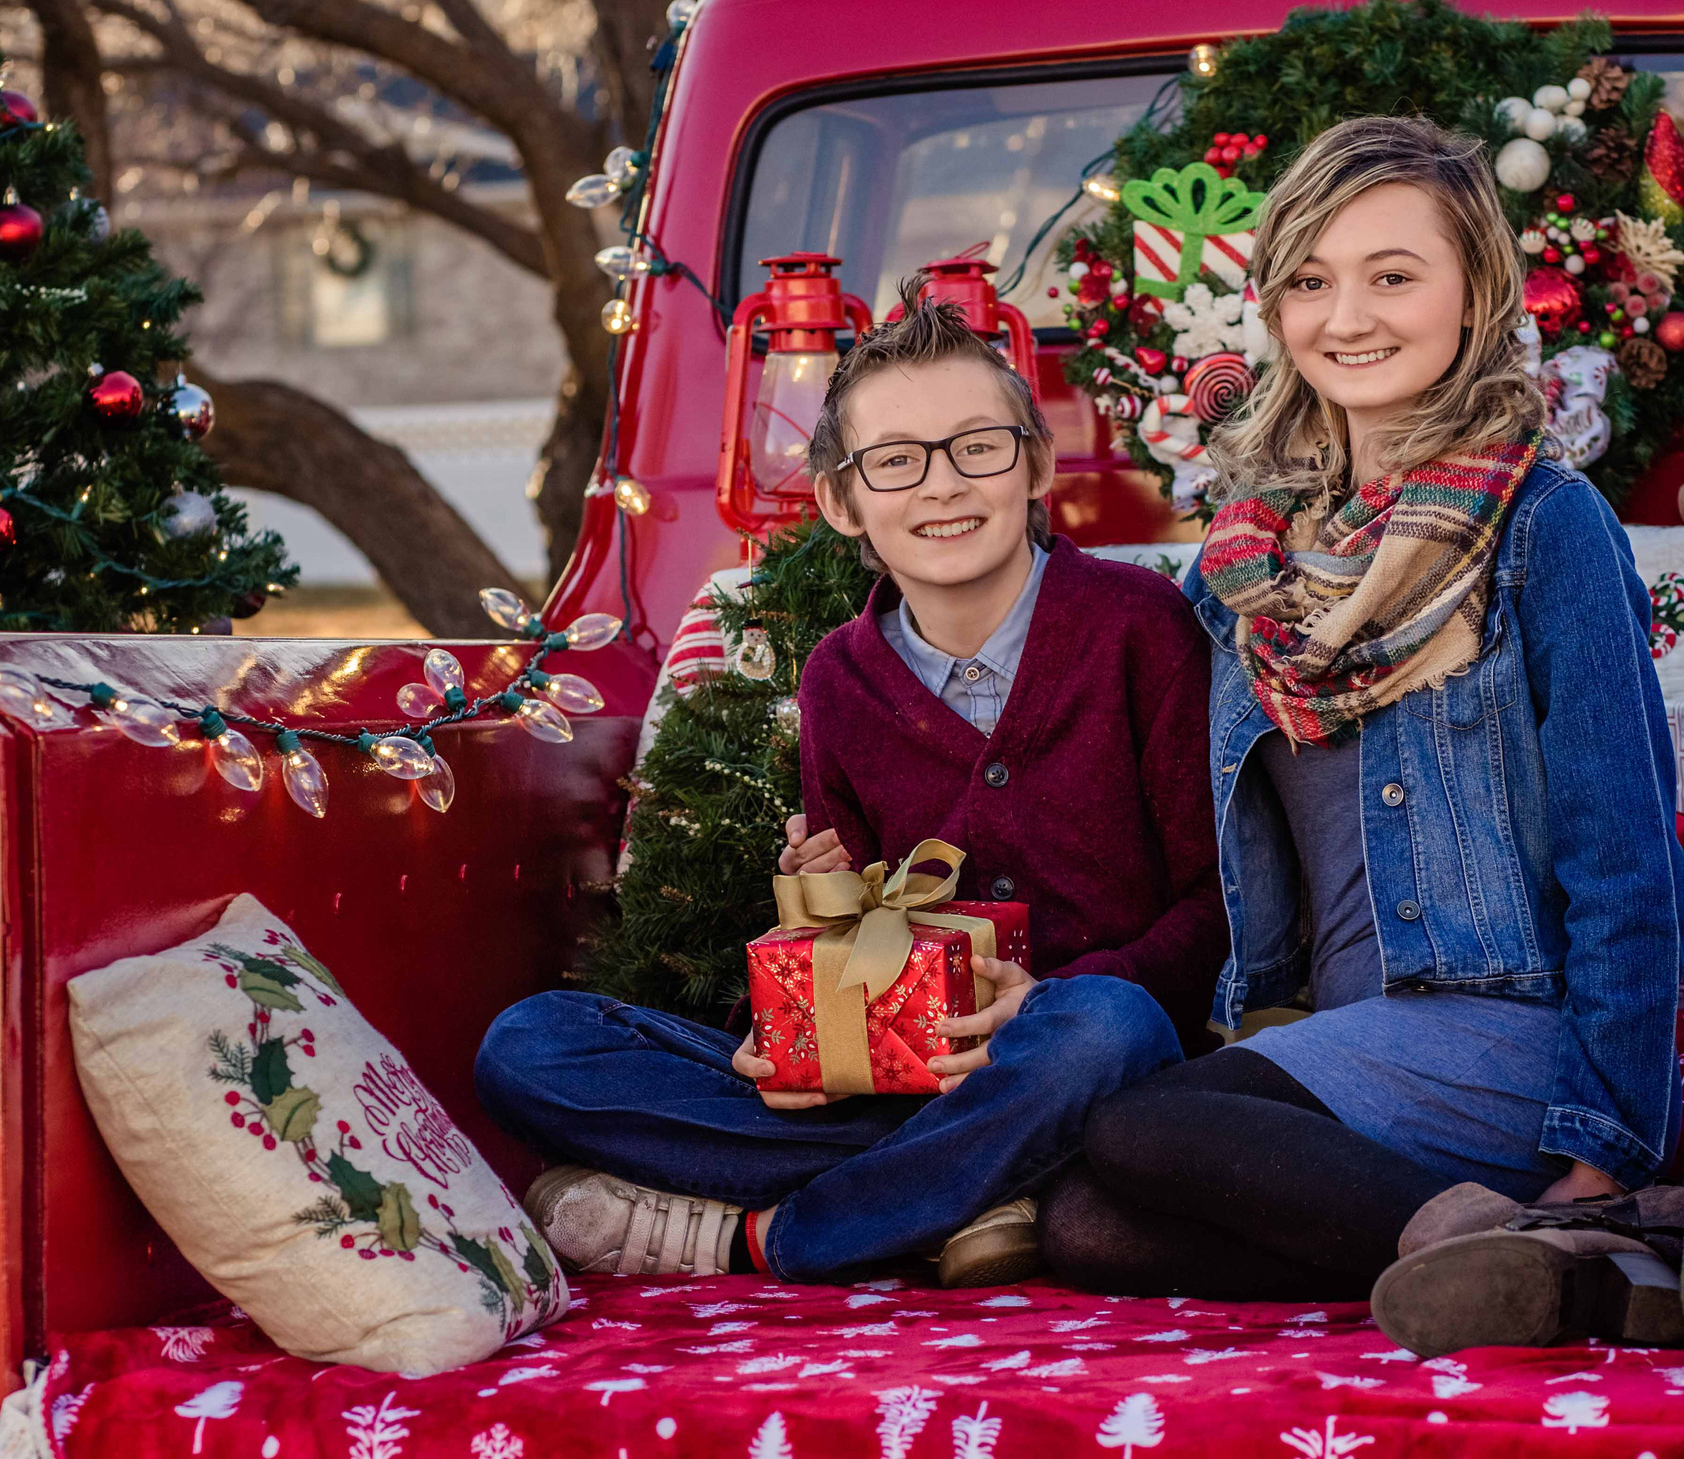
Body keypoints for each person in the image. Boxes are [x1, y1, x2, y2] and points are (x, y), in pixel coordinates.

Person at [1039, 117, 1684, 1352]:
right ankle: (1546, 1270)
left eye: (1392, 275)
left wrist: (1599, 1151)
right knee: (1085, 1224)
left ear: (1475, 291)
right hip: (1337, 1040)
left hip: (1507, 1033)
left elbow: (1625, 858)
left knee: (1138, 1131)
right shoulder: (1243, 562)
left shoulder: (1545, 526)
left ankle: (1562, 1223)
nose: (1346, 317)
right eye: (1309, 280)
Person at [476, 277, 1225, 1288]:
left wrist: (1048, 999)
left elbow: (1217, 907)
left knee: (1107, 1027)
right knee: (529, 1046)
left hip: (1088, 1058)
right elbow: (864, 947)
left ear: (1035, 465)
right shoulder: (838, 677)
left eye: (978, 447)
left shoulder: (1141, 627)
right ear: (841, 500)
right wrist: (790, 1021)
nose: (942, 485)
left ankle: (768, 1236)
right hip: (907, 1085)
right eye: (896, 461)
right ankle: (981, 1185)